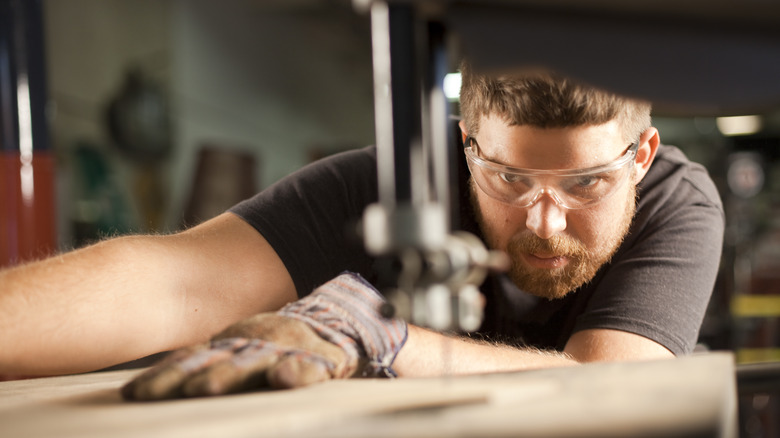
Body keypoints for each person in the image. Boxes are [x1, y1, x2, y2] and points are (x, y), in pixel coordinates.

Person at [0, 63, 724, 398]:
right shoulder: (396, 179)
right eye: (508, 179)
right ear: (467, 141)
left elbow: (610, 382)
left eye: (585, 184)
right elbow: (172, 283)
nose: (544, 219)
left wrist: (382, 333)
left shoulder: (678, 203)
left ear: (642, 154)